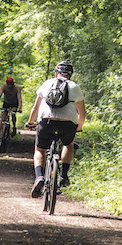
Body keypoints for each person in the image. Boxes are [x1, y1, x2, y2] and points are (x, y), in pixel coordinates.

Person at [26, 61, 86, 197]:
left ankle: (39, 177)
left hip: (46, 122)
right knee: (68, 144)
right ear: (70, 75)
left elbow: (35, 108)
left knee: (40, 149)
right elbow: (82, 113)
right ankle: (63, 176)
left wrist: (30, 122)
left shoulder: (47, 84)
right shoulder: (75, 87)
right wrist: (79, 127)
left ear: (56, 73)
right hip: (68, 124)